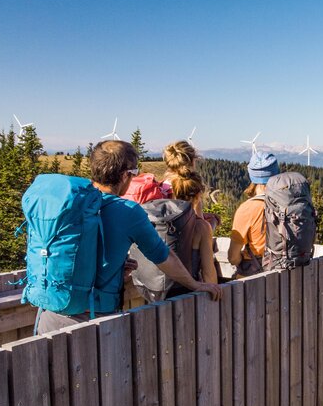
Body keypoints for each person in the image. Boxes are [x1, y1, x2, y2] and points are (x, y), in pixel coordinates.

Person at [35, 140, 220, 334]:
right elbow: (163, 256)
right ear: (124, 175)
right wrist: (195, 284)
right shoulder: (127, 211)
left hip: (49, 314)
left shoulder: (75, 201)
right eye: (134, 173)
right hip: (93, 321)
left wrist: (115, 271)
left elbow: (80, 251)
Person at [228, 150, 279, 277]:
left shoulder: (247, 208)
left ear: (252, 176)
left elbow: (233, 257)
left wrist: (242, 259)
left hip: (256, 278)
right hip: (290, 273)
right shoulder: (288, 203)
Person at [162, 140, 220, 232]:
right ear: (193, 161)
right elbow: (199, 226)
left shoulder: (162, 186)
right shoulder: (189, 186)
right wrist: (213, 223)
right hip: (184, 241)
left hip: (162, 239)